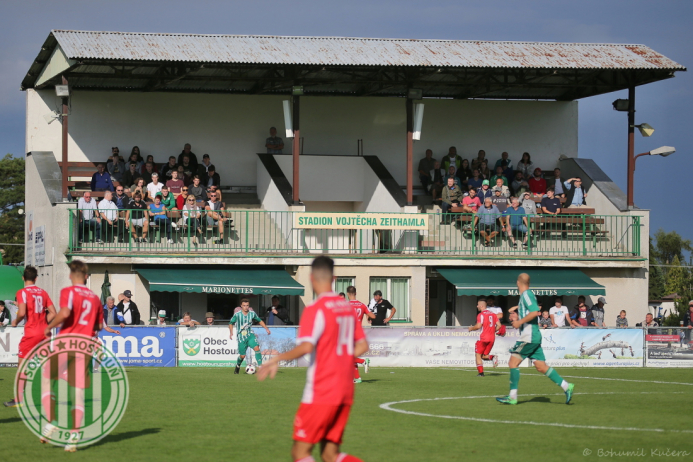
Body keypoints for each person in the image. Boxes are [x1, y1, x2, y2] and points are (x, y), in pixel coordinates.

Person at [257, 256, 368, 462]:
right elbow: (363, 345)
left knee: (300, 453)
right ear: (333, 278)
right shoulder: (346, 308)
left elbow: (307, 346)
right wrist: (341, 357)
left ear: (311, 278)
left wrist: (276, 358)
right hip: (345, 389)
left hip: (322, 391)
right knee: (329, 455)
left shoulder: (315, 309)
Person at [43, 260, 104, 451]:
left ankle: (51, 422)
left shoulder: (68, 292)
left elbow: (65, 312)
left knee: (47, 378)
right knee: (77, 391)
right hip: (84, 345)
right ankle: (73, 436)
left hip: (65, 343)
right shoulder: (95, 298)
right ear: (86, 276)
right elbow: (99, 326)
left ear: (70, 275)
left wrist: (49, 326)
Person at [497, 273, 574, 405]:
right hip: (533, 336)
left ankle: (512, 397)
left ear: (518, 283)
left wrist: (519, 322)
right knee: (541, 366)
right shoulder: (526, 295)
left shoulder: (526, 294)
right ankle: (567, 386)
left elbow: (534, 312)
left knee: (512, 363)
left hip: (529, 337)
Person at [3, 266, 56, 408]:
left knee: (22, 367)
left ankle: (19, 399)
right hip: (44, 333)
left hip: (31, 333)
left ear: (23, 278)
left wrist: (15, 321)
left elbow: (22, 312)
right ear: (36, 278)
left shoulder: (22, 292)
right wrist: (44, 324)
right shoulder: (43, 292)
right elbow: (53, 313)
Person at [230, 299, 271, 374]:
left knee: (257, 348)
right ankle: (238, 365)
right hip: (241, 336)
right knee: (242, 356)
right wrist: (231, 332)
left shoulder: (252, 313)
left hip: (250, 335)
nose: (246, 307)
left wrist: (266, 329)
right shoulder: (237, 314)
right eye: (244, 305)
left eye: (247, 305)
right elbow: (231, 323)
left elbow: (260, 321)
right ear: (241, 306)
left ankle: (260, 367)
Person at [347, 286, 374, 383]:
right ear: (356, 293)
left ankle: (363, 361)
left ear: (347, 294)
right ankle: (357, 378)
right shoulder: (362, 305)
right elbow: (372, 316)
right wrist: (368, 314)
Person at [469, 299, 501, 376]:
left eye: (478, 305)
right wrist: (492, 331)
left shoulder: (481, 315)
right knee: (484, 356)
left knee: (478, 355)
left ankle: (481, 373)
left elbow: (478, 326)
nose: (477, 306)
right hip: (492, 338)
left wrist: (471, 328)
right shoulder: (493, 314)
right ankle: (492, 357)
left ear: (482, 306)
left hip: (483, 338)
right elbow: (499, 325)